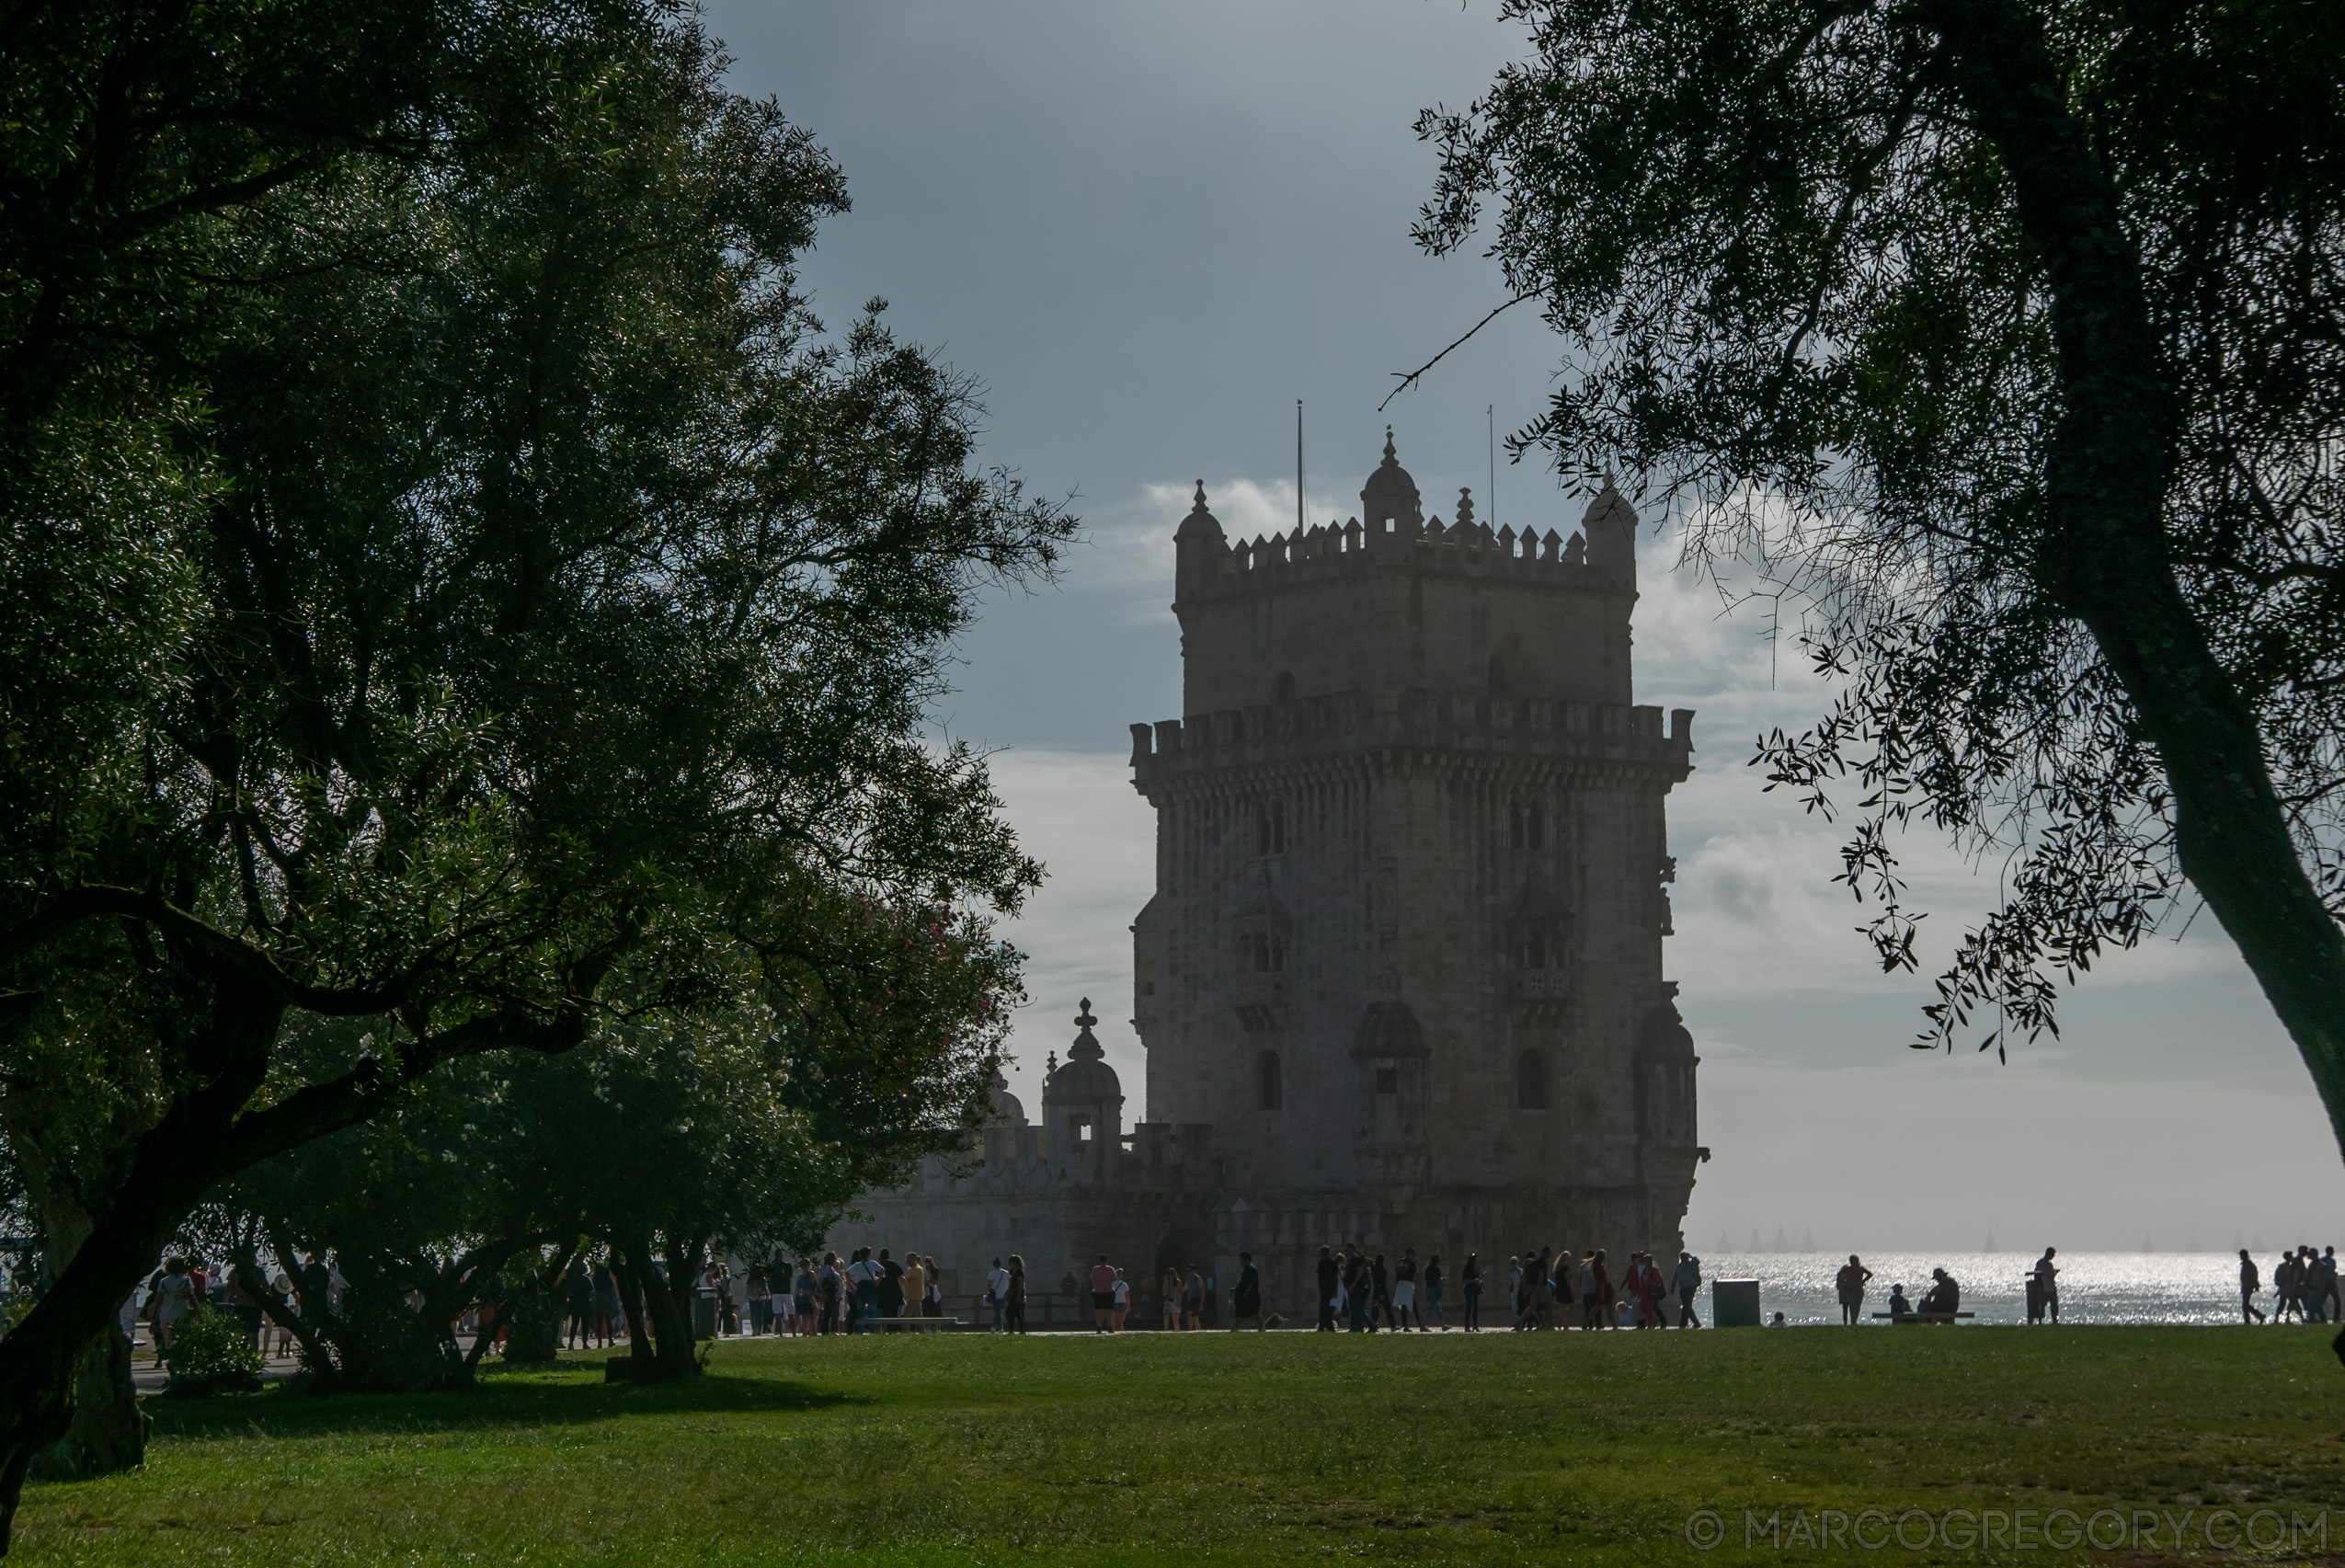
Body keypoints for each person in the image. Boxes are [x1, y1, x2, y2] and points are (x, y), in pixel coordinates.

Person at [151, 1256, 196, 1365]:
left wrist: (153, 1321)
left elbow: (158, 1302)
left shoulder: (163, 1282)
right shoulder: (186, 1281)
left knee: (169, 1343)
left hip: (166, 1316)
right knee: (182, 1343)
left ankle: (172, 1365)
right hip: (182, 1315)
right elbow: (192, 1298)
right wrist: (198, 1314)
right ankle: (180, 1365)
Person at [1835, 1254, 1873, 1327]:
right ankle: (1853, 1322)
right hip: (1851, 1290)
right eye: (1851, 1260)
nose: (1852, 1262)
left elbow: (1870, 1274)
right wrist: (1845, 1282)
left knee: (1857, 1306)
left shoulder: (1861, 1269)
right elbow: (1839, 1274)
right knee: (1853, 1306)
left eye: (1853, 1260)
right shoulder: (1848, 1269)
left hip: (1858, 1290)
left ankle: (1854, 1321)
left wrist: (1863, 1281)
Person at [1231, 1250, 1264, 1330]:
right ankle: (1235, 1328)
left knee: (1255, 1312)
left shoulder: (1251, 1269)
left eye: (1242, 1260)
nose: (1241, 1262)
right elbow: (1241, 1282)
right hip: (1243, 1295)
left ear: (1247, 1260)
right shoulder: (1245, 1269)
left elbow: (1250, 1283)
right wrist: (1236, 1289)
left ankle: (1261, 1327)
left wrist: (1246, 1293)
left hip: (1250, 1296)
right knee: (1239, 1312)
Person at [1390, 1250, 1419, 1331]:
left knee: (1404, 1306)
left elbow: (1397, 1273)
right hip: (1408, 1285)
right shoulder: (1410, 1263)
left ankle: (1406, 1325)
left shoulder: (1399, 1262)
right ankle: (1420, 1325)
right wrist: (1414, 1263)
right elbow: (1414, 1273)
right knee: (1414, 1306)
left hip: (1400, 1284)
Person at [1673, 1251, 1703, 1328]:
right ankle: (1696, 1323)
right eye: (1682, 1258)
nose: (1683, 1259)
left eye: (1685, 1257)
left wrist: (1691, 1256)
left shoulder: (1692, 1265)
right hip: (1682, 1288)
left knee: (1686, 1306)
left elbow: (1697, 1261)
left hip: (1690, 1288)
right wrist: (1673, 1286)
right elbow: (1675, 1277)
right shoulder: (1679, 1267)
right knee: (1687, 1306)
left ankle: (1683, 1323)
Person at [2031, 1248, 2060, 1325]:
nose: (2053, 1256)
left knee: (2041, 1305)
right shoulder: (2049, 1264)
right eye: (2053, 1255)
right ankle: (2055, 1320)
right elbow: (2051, 1275)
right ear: (2050, 1254)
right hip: (2050, 1288)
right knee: (2054, 1306)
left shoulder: (2039, 1262)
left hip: (2042, 1288)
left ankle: (2038, 1319)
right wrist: (2056, 1272)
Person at [1090, 1254, 1117, 1333]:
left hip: (1098, 1292)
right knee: (1109, 1309)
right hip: (1109, 1291)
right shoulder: (1110, 1269)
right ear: (1106, 1260)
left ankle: (1099, 1327)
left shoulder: (1095, 1269)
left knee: (1098, 1310)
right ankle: (1110, 1327)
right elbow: (1114, 1279)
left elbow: (1092, 1279)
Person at [2240, 1248, 2266, 1324]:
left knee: (2245, 1305)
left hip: (2248, 1286)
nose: (2241, 1257)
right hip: (2246, 1286)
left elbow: (2254, 1275)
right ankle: (2255, 1318)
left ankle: (2257, 1317)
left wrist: (2255, 1284)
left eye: (2242, 1255)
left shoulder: (2249, 1265)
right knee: (2245, 1305)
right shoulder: (2246, 1264)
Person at [1316, 1246, 1339, 1333]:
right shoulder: (1321, 1263)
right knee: (1325, 1307)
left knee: (1323, 1307)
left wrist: (1335, 1290)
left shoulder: (1332, 1263)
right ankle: (1328, 1327)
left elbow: (1336, 1277)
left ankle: (1323, 1327)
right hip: (1323, 1288)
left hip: (1329, 1288)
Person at [1004, 1253, 1028, 1334]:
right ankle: (1021, 1331)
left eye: (1011, 1263)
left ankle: (1012, 1330)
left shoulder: (1019, 1273)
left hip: (1017, 1294)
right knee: (1017, 1313)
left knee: (1009, 1312)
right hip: (1012, 1293)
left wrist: (1018, 1296)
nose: (1010, 1264)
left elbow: (1020, 1284)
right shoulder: (1012, 1272)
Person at [986, 1258, 1012, 1333]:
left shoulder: (992, 1273)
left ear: (993, 1265)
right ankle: (994, 1327)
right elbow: (1009, 1282)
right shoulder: (1006, 1272)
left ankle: (1000, 1327)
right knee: (998, 1311)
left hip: (996, 1295)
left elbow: (989, 1283)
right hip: (1004, 1294)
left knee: (997, 1311)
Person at [900, 1253, 926, 1325]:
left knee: (907, 1315)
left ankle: (904, 1331)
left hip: (915, 1296)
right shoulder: (913, 1269)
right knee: (919, 1315)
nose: (906, 1261)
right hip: (914, 1295)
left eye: (908, 1259)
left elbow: (908, 1280)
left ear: (913, 1260)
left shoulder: (917, 1269)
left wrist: (901, 1278)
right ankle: (922, 1331)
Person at [1423, 1253, 1447, 1330]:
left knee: (1437, 1308)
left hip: (1428, 1289)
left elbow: (1429, 1280)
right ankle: (1424, 1324)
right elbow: (1437, 1280)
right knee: (1431, 1308)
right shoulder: (1436, 1269)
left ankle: (1443, 1324)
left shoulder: (1427, 1269)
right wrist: (1443, 1280)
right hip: (1434, 1289)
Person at [1460, 1253, 1481, 1332]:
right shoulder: (1467, 1270)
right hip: (1469, 1290)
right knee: (1469, 1308)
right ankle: (1467, 1326)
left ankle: (1475, 1326)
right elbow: (1464, 1281)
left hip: (1475, 1290)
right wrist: (1474, 1280)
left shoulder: (1475, 1269)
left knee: (1475, 1308)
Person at [1183, 1265, 1207, 1331]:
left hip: (1196, 1299)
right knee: (1190, 1316)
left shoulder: (1198, 1278)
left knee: (1194, 1316)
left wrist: (1201, 1303)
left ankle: (1197, 1330)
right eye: (1187, 1271)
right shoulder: (1188, 1278)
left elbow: (1202, 1290)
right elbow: (1186, 1287)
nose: (1188, 1273)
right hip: (1190, 1299)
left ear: (1193, 1271)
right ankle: (1191, 1330)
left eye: (1190, 1271)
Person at [1112, 1266, 1132, 1331]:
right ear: (1121, 1276)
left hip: (1113, 1304)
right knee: (1120, 1323)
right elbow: (1127, 1296)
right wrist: (1128, 1306)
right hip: (1122, 1304)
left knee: (1113, 1323)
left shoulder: (1111, 1284)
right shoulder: (1124, 1285)